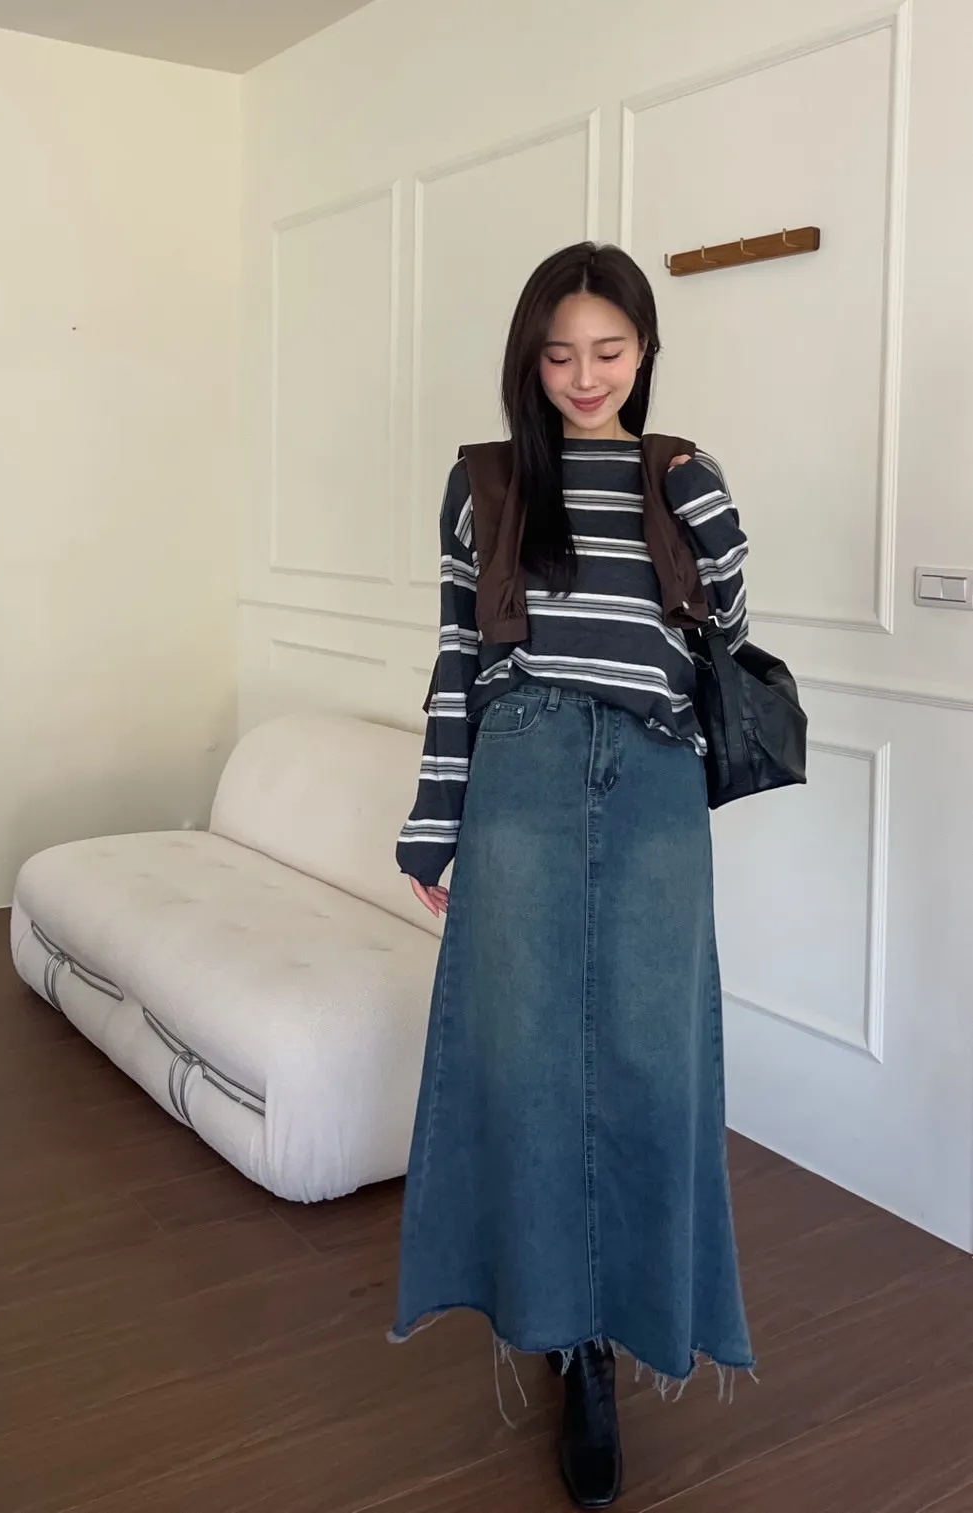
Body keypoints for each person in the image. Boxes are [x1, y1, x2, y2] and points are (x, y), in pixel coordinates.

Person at [389, 241, 755, 1509]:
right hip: (523, 771)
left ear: (644, 351)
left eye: (609, 350)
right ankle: (568, 1345)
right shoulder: (487, 484)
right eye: (559, 354)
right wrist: (432, 823)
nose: (585, 376)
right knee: (525, 1062)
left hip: (653, 785)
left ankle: (625, 1319)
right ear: (528, 361)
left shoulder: (682, 477)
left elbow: (723, 645)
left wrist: (711, 529)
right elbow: (456, 659)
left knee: (654, 1062)